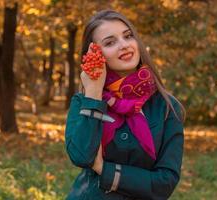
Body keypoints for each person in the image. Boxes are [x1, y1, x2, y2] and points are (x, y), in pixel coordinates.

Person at [65, 9, 185, 200]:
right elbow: (81, 156)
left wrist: (104, 169)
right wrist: (94, 93)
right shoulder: (83, 101)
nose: (124, 45)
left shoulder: (166, 107)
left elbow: (165, 182)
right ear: (95, 53)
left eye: (128, 36)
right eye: (110, 42)